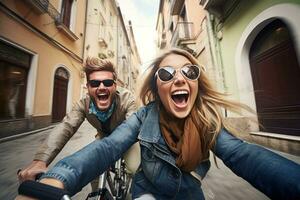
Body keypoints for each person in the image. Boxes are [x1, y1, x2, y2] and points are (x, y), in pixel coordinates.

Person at [25, 48, 300, 199]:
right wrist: (55, 178)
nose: (178, 78)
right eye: (167, 73)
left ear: (195, 83)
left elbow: (243, 154)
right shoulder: (128, 113)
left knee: (130, 162)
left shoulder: (203, 118)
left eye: (188, 71)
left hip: (180, 185)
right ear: (157, 88)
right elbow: (98, 141)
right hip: (127, 161)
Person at [17, 57, 140, 190]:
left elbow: (131, 129)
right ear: (87, 87)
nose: (102, 87)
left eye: (108, 82)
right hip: (104, 136)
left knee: (134, 168)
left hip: (128, 138)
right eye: (95, 83)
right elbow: (66, 126)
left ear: (115, 86)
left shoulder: (128, 99)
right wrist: (40, 161)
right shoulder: (83, 104)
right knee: (92, 168)